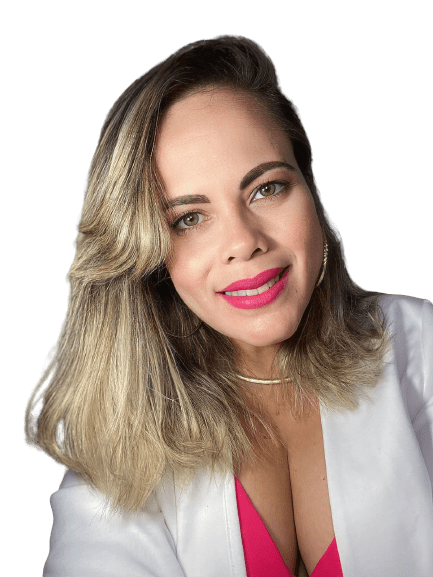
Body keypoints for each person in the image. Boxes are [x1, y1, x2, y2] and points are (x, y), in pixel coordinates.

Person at [24, 35, 433, 577]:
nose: (243, 242)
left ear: (310, 188)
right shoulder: (122, 431)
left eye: (266, 188)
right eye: (189, 219)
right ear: (146, 252)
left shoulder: (419, 349)